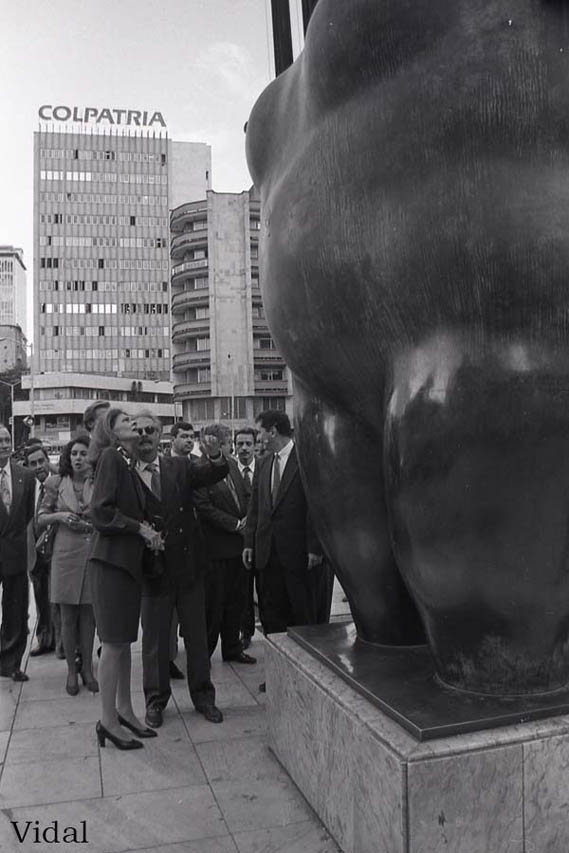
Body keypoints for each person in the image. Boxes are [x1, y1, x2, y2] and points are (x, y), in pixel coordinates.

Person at [132, 410, 228, 728]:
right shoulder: (125, 472)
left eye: (150, 429)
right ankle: (155, 701)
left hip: (188, 567)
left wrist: (214, 454)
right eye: (139, 430)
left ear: (160, 435)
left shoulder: (180, 466)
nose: (144, 435)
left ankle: (204, 697)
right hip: (152, 570)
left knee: (197, 640)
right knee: (155, 642)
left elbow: (212, 473)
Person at [88, 408, 163, 750]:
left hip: (126, 564)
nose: (134, 423)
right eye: (126, 421)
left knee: (122, 644)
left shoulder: (127, 463)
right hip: (111, 563)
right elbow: (101, 512)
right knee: (114, 645)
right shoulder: (110, 458)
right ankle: (107, 722)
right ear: (113, 432)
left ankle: (125, 712)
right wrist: (141, 529)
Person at [243, 411, 326, 690]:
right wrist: (249, 543)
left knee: (301, 616)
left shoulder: (306, 459)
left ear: (274, 431)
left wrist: (314, 546)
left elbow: (316, 505)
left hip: (299, 555)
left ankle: (305, 677)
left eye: (260, 432)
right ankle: (278, 675)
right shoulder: (264, 463)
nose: (258, 438)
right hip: (267, 555)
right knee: (271, 617)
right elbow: (255, 508)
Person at [38, 436, 98, 696]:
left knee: (89, 616)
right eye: (74, 453)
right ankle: (72, 673)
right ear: (67, 456)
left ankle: (87, 669)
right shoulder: (55, 483)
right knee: (68, 616)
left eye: (84, 453)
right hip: (65, 554)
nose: (78, 458)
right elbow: (40, 519)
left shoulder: (100, 482)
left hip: (93, 553)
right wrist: (60, 516)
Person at [194, 424, 256, 665]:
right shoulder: (199, 469)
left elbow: (245, 495)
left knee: (236, 601)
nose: (233, 446)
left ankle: (232, 648)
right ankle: (205, 654)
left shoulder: (231, 465)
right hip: (216, 549)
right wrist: (234, 524)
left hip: (237, 548)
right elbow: (203, 507)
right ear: (216, 444)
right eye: (228, 442)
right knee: (215, 604)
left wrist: (248, 518)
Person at [0, 425, 35, 681]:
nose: (3, 444)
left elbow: (27, 516)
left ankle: (10, 662)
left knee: (16, 609)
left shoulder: (26, 475)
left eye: (6, 439)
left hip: (15, 553)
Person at [24, 444, 58, 656]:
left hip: (57, 551)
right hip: (34, 553)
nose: (38, 467)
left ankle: (64, 643)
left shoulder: (60, 482)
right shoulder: (28, 487)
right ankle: (44, 640)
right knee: (40, 598)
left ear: (48, 460)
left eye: (41, 461)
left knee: (60, 600)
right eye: (33, 463)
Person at [234, 427, 258, 649]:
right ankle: (245, 632)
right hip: (239, 541)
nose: (244, 449)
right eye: (240, 444)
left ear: (255, 446)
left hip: (263, 540)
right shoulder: (229, 469)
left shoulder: (265, 466)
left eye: (248, 444)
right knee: (243, 591)